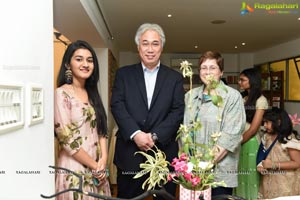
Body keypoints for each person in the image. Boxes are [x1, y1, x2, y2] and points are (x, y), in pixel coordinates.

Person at [110, 23, 185, 199]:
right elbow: (117, 105)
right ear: (138, 47)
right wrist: (136, 134)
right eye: (145, 43)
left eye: (155, 43)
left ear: (161, 47)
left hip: (164, 154)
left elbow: (177, 111)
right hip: (130, 154)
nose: (150, 49)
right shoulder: (123, 74)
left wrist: (154, 136)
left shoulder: (174, 78)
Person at [183, 51, 246, 196]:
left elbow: (230, 136)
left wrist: (204, 166)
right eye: (204, 68)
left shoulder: (232, 97)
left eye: (213, 68)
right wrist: (188, 164)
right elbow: (184, 132)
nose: (208, 72)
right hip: (191, 171)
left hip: (219, 173)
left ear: (221, 72)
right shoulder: (190, 96)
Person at [54, 40, 111, 199]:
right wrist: (94, 166)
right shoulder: (61, 94)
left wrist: (103, 160)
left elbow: (101, 129)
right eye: (79, 59)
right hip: (74, 168)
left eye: (90, 60)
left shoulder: (92, 94)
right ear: (68, 64)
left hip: (98, 170)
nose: (85, 64)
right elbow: (66, 139)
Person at [235, 68, 268, 200]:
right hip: (240, 139)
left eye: (243, 80)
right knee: (240, 176)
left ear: (252, 81)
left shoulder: (261, 100)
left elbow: (254, 128)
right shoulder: (243, 98)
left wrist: (238, 141)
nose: (239, 82)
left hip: (250, 141)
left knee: (250, 176)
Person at [257, 107, 300, 199]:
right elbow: (263, 155)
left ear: (278, 122)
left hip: (286, 183)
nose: (264, 125)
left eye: (267, 122)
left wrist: (273, 165)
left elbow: (297, 163)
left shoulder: (289, 139)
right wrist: (260, 166)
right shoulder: (266, 136)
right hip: (269, 182)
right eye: (264, 122)